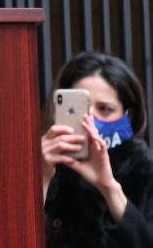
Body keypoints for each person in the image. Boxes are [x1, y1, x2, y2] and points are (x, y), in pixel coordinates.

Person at [41, 51, 153, 247]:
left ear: (128, 114)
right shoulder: (44, 163)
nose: (89, 121)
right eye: (79, 110)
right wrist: (40, 178)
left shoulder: (145, 170)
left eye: (105, 109)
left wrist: (109, 187)